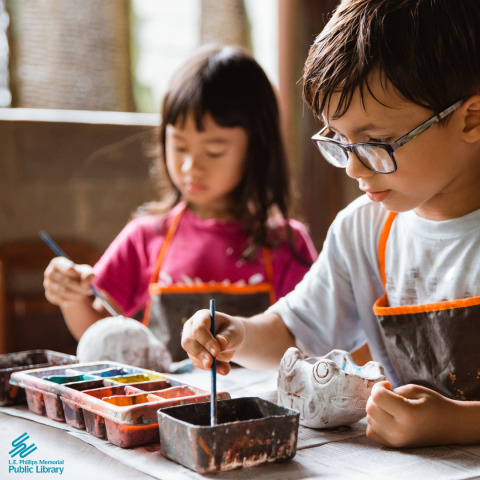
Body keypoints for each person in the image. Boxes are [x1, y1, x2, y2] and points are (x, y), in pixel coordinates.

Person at [181, 0, 480, 448]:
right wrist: (236, 334)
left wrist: (459, 423)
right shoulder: (363, 231)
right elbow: (296, 330)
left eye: (377, 143)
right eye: (340, 140)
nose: (354, 169)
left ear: (470, 119)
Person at [43, 45, 317, 362]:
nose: (190, 167)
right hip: (160, 408)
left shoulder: (286, 244)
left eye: (213, 151)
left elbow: (310, 338)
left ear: (257, 148)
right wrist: (70, 296)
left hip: (258, 409)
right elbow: (99, 331)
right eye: (179, 146)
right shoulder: (145, 236)